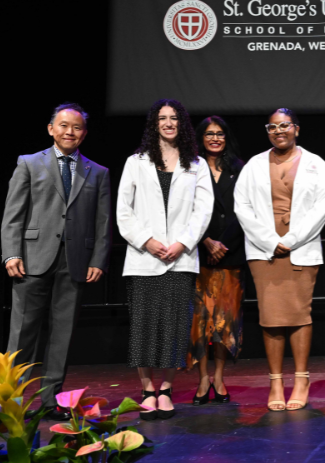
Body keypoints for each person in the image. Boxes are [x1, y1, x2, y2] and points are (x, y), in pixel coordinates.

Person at [0, 102, 111, 421]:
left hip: (75, 261)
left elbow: (103, 222)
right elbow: (13, 214)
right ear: (51, 129)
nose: (69, 132)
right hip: (32, 259)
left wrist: (98, 259)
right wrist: (12, 252)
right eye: (63, 125)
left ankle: (51, 401)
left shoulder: (98, 172)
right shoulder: (29, 163)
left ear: (84, 134)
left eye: (76, 127)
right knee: (22, 333)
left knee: (62, 335)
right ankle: (13, 402)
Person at [117, 99, 213, 420]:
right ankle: (147, 390)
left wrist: (182, 243)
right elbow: (123, 211)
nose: (168, 123)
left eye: (174, 118)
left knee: (174, 326)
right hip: (144, 257)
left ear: (182, 124)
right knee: (144, 326)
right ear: (154, 124)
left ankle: (167, 389)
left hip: (180, 258)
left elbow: (203, 210)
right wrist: (148, 241)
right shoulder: (136, 162)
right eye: (163, 118)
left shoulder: (195, 164)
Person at [234, 108, 325, 411]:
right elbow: (243, 206)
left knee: (300, 314)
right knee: (271, 317)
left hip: (300, 248)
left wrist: (290, 241)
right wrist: (270, 241)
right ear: (268, 131)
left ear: (296, 129)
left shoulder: (315, 163)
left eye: (285, 126)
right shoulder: (253, 165)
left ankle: (301, 379)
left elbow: (323, 206)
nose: (279, 131)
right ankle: (276, 380)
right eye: (273, 127)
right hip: (264, 251)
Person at [187, 116, 246, 405]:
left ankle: (219, 378)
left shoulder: (239, 168)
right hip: (198, 253)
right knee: (199, 323)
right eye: (209, 134)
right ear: (200, 138)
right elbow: (184, 209)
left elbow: (245, 210)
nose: (215, 138)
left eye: (220, 134)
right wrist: (206, 240)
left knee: (225, 323)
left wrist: (224, 243)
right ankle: (202, 380)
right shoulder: (189, 167)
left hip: (230, 254)